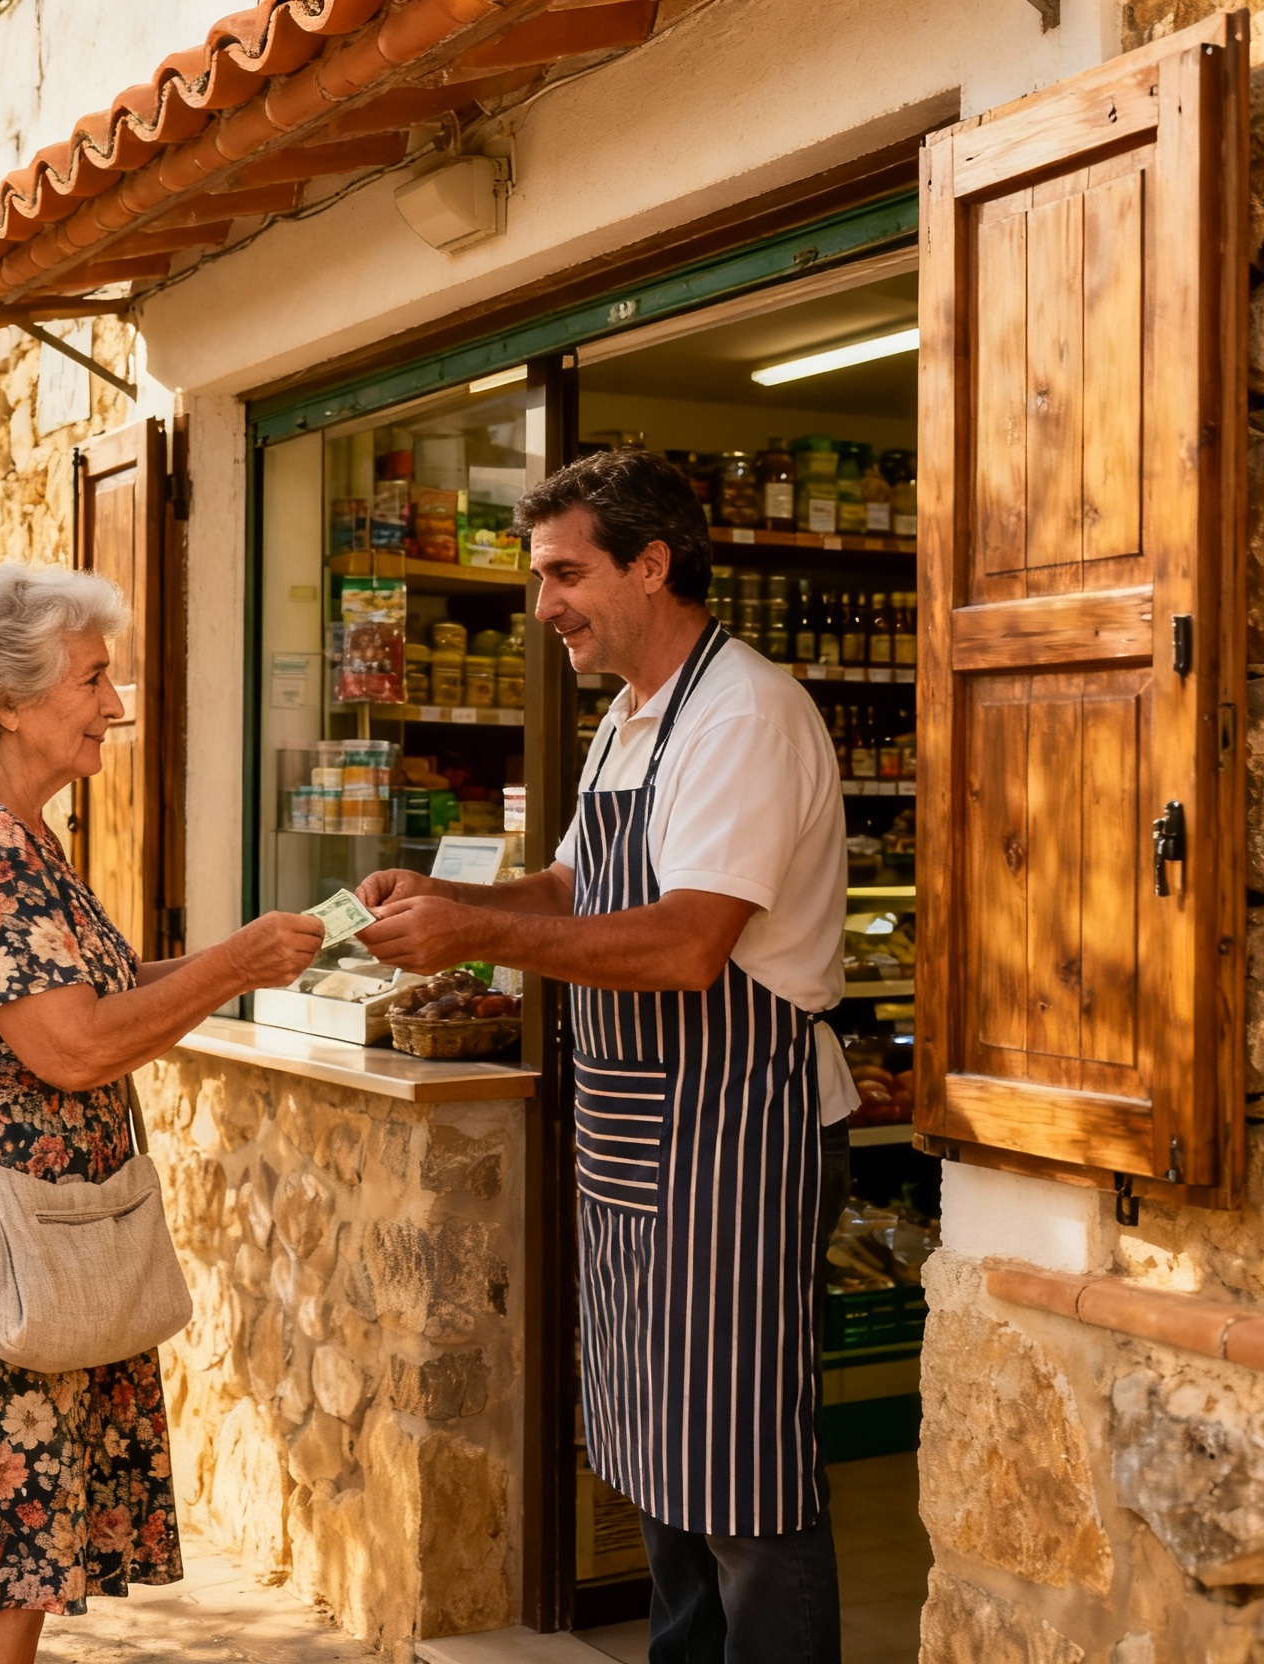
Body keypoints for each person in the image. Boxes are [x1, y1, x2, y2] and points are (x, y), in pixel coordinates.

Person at [355, 449, 854, 1664]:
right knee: (666, 1468)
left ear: (652, 563)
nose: (546, 606)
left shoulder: (741, 714)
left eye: (565, 574)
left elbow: (686, 943)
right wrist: (449, 897)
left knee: (743, 1477)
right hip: (644, 1139)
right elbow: (575, 884)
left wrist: (475, 934)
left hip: (741, 1133)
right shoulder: (629, 720)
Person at [0, 562, 323, 1664]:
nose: (117, 704)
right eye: (93, 678)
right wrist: (236, 964)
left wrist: (252, 959)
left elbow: (93, 993)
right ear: (8, 699)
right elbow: (76, 1044)